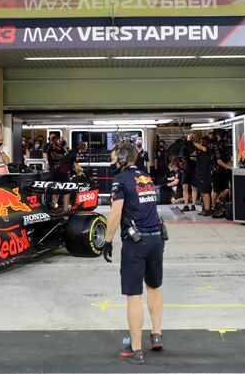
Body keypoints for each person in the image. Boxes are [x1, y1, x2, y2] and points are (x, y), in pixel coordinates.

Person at [102, 143, 165, 365]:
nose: (111, 162)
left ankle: (136, 350)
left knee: (134, 296)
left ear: (120, 158)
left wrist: (107, 241)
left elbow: (115, 213)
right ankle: (156, 334)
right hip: (157, 239)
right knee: (154, 286)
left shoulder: (120, 180)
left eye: (112, 158)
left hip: (136, 243)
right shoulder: (145, 177)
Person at [180, 133, 204, 212]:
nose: (190, 139)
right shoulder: (185, 147)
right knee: (184, 186)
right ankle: (186, 205)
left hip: (195, 169)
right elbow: (184, 157)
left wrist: (192, 157)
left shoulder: (197, 146)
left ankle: (193, 204)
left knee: (194, 187)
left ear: (194, 138)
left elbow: (199, 158)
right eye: (189, 138)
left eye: (192, 137)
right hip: (187, 169)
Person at [195, 137, 214, 216]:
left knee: (206, 192)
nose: (202, 142)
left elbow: (203, 148)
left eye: (204, 141)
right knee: (202, 192)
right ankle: (204, 207)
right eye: (201, 141)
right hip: (199, 173)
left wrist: (193, 142)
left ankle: (208, 209)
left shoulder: (209, 149)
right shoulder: (200, 152)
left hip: (205, 173)